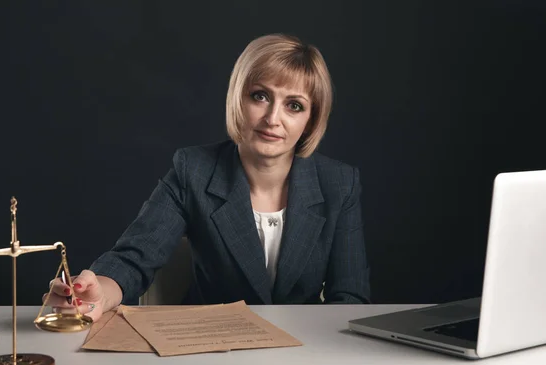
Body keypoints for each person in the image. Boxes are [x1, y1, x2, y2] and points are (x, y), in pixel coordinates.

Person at [45, 33, 371, 322]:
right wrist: (97, 292)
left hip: (305, 354)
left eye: (294, 106)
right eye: (260, 96)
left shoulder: (339, 184)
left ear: (311, 121)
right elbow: (133, 260)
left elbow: (351, 298)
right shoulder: (194, 169)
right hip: (210, 351)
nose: (273, 118)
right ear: (237, 98)